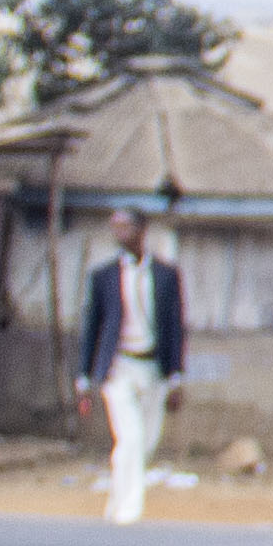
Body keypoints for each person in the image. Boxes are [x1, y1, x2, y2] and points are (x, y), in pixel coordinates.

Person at [75, 207, 186, 526]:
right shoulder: (104, 276)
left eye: (126, 228)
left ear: (142, 231)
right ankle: (129, 510)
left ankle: (116, 499)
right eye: (115, 228)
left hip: (152, 368)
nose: (119, 235)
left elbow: (176, 327)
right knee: (131, 436)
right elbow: (92, 327)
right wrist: (84, 377)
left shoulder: (166, 275)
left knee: (144, 441)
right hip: (118, 368)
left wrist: (176, 376)